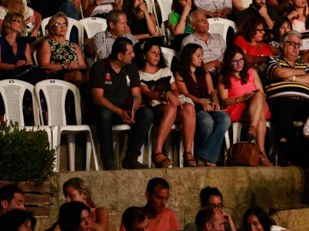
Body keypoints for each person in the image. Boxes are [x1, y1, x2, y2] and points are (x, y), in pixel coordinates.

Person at [91, 36, 153, 170]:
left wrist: (133, 110)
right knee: (104, 114)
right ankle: (108, 161)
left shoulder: (132, 67)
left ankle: (131, 158)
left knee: (146, 113)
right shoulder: (100, 67)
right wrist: (119, 112)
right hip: (106, 110)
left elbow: (137, 94)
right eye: (130, 53)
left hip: (125, 110)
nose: (134, 55)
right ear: (120, 55)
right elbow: (98, 98)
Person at [136, 37, 196, 168]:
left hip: (172, 103)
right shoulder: (139, 74)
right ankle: (157, 151)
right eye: (153, 52)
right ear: (144, 55)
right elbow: (146, 93)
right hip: (154, 107)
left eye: (158, 53)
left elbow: (175, 89)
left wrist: (172, 95)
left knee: (189, 107)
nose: (157, 56)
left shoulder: (165, 71)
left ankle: (188, 152)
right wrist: (165, 95)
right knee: (170, 108)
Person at [262, 30, 309, 165]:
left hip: (304, 102)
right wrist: (301, 74)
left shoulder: (306, 65)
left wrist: (292, 78)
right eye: (292, 43)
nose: (295, 47)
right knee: (286, 109)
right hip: (279, 102)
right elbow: (278, 72)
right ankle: (283, 153)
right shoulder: (273, 60)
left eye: (298, 45)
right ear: (282, 44)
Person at [175, 44, 231, 167]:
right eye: (198, 56)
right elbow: (185, 93)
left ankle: (204, 154)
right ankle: (208, 158)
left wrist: (215, 101)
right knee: (206, 121)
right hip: (193, 105)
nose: (201, 58)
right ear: (189, 56)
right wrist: (202, 102)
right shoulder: (180, 74)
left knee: (225, 118)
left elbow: (211, 91)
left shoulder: (204, 73)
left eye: (201, 56)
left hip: (208, 103)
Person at [217, 43, 272, 164]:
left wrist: (253, 97)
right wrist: (241, 99)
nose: (239, 64)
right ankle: (262, 154)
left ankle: (253, 128)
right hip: (237, 107)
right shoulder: (224, 77)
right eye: (235, 61)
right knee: (260, 114)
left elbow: (261, 92)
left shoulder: (251, 72)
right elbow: (224, 100)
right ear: (228, 62)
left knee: (258, 96)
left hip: (256, 104)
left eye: (241, 60)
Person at [37, 12, 86, 84]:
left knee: (91, 75)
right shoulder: (47, 43)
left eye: (64, 24)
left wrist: (76, 65)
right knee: (77, 75)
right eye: (58, 24)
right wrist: (65, 66)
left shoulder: (74, 45)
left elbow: (83, 66)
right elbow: (44, 65)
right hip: (58, 74)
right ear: (52, 28)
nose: (62, 27)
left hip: (76, 71)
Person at [181, 9, 227, 73]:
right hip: (202, 75)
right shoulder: (188, 42)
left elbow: (226, 58)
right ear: (193, 26)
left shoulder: (218, 38)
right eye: (201, 20)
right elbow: (189, 66)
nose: (206, 22)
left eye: (205, 18)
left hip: (222, 71)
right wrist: (214, 63)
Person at [0, 11, 33, 79]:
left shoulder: (25, 45)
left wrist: (24, 63)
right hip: (4, 75)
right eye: (17, 21)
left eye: (22, 22)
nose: (21, 24)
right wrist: (15, 66)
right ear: (8, 23)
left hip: (22, 76)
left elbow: (30, 63)